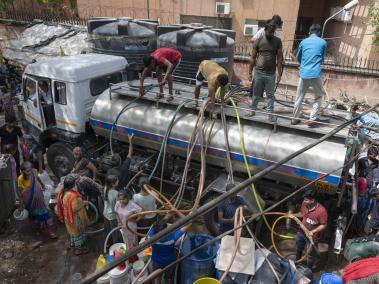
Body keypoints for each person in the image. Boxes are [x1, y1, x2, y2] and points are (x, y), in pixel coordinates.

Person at [291, 24, 327, 128]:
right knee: (318, 97)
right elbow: (322, 59)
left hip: (304, 73)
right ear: (319, 32)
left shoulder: (303, 42)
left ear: (309, 32)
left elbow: (298, 57)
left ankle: (294, 119)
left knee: (299, 97)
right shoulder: (323, 42)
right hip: (316, 73)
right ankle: (312, 120)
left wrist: (302, 65)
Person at [248, 20, 283, 121]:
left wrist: (279, 73)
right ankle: (252, 111)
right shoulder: (258, 41)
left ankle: (270, 114)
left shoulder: (277, 41)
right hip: (259, 72)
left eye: (273, 32)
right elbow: (253, 58)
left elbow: (279, 59)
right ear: (265, 30)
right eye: (270, 32)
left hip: (271, 74)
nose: (271, 34)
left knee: (270, 95)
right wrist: (250, 73)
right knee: (256, 93)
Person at [17, 161, 57, 239]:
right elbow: (20, 192)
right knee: (33, 212)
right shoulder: (20, 178)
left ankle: (49, 230)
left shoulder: (34, 171)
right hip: (29, 198)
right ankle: (38, 224)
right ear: (23, 171)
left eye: (30, 169)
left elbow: (37, 178)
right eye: (27, 170)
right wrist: (21, 204)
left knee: (43, 211)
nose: (30, 171)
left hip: (38, 195)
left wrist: (42, 185)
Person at [147, 215, 190, 284]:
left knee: (157, 277)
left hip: (156, 261)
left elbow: (157, 225)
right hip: (169, 262)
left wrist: (169, 215)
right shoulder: (172, 237)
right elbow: (189, 223)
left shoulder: (150, 235)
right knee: (169, 277)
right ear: (165, 230)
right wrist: (176, 211)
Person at [56, 174, 90, 255]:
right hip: (75, 218)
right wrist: (83, 203)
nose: (77, 185)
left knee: (72, 232)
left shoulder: (63, 192)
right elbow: (74, 208)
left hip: (68, 217)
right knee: (78, 232)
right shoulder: (73, 196)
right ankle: (79, 249)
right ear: (72, 186)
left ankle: (73, 243)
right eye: (76, 184)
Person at [294, 190, 327, 269]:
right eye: (304, 199)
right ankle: (296, 264)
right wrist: (292, 215)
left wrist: (312, 232)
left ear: (312, 200)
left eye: (306, 200)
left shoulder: (321, 211)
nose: (304, 201)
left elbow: (324, 225)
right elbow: (302, 214)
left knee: (310, 256)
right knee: (298, 249)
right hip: (301, 233)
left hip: (312, 237)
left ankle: (308, 270)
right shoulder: (304, 204)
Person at [103, 175, 121, 247]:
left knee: (107, 229)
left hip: (105, 213)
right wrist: (119, 220)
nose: (118, 181)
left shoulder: (105, 188)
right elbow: (116, 208)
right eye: (117, 181)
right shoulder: (115, 193)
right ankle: (116, 245)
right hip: (112, 216)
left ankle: (107, 243)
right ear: (113, 184)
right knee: (115, 231)